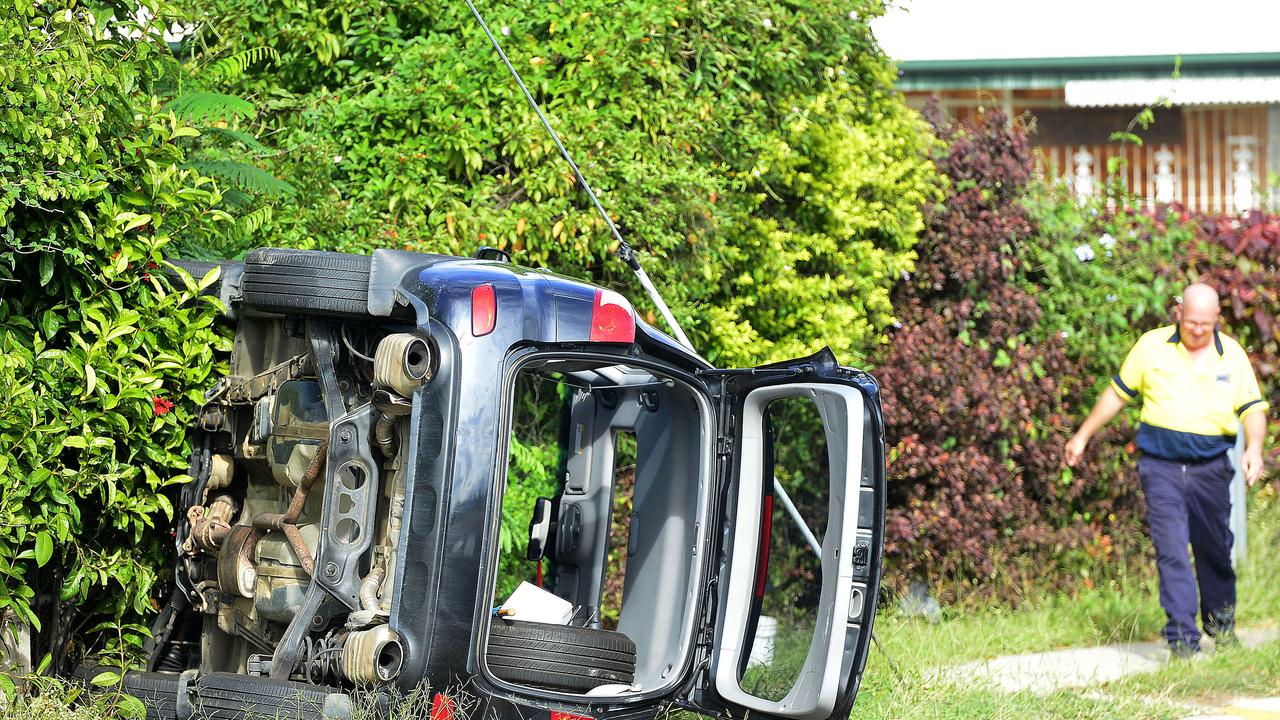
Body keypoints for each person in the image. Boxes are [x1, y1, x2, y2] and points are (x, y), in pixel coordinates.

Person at [1064, 282, 1267, 658]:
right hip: (1162, 467)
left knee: (1215, 549)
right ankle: (1182, 639)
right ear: (1179, 314)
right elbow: (1117, 394)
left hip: (1210, 468)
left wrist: (1254, 448)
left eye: (1205, 324)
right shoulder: (1151, 346)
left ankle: (1221, 627)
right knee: (1172, 550)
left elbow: (1253, 408)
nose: (1197, 330)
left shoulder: (1232, 356)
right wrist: (1083, 435)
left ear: (1217, 320)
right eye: (1191, 322)